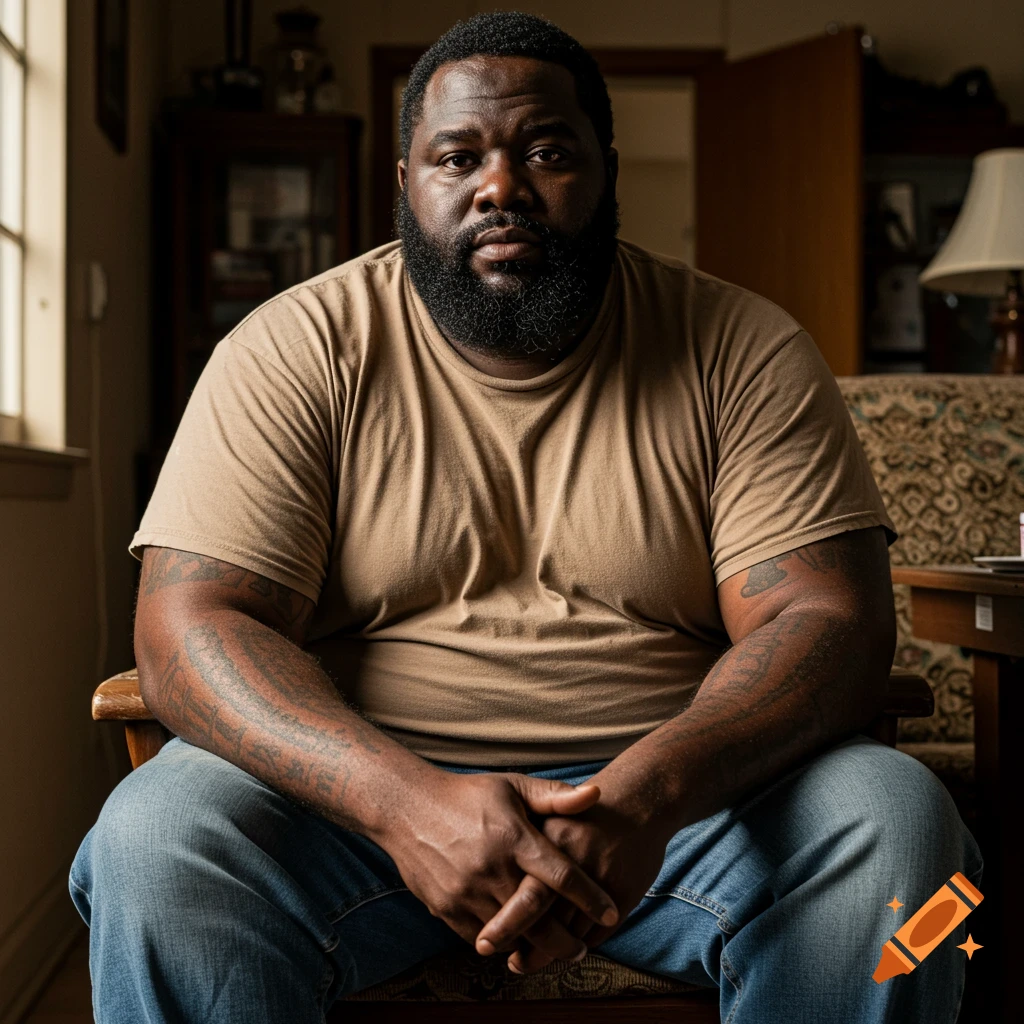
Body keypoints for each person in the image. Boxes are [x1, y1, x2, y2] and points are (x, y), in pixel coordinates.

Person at [70, 12, 981, 1023]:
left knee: (907, 838)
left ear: (604, 170)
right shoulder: (294, 349)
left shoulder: (741, 348)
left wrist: (645, 796)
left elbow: (830, 623)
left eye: (546, 150)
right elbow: (188, 625)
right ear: (405, 183)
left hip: (684, 811)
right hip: (357, 813)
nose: (501, 186)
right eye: (457, 155)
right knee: (154, 838)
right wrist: (404, 804)